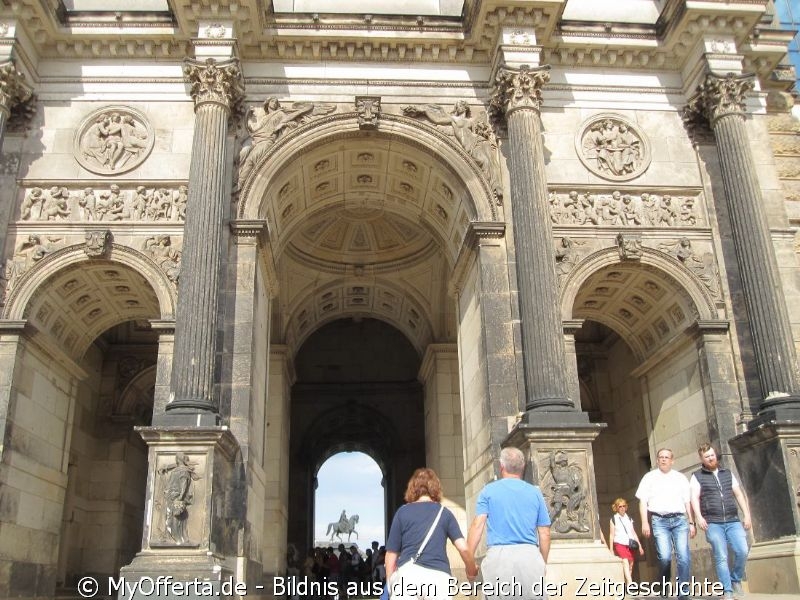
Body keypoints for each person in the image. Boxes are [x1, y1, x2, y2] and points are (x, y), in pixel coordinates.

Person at [466, 447, 551, 600]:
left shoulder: (488, 491)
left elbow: (477, 526)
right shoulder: (535, 492)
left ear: (501, 466)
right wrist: (542, 562)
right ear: (523, 467)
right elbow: (544, 532)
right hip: (529, 556)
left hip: (498, 558)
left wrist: (469, 561)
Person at [386, 468, 477, 599]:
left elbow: (391, 554)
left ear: (412, 488)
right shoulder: (445, 513)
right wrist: (471, 569)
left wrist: (390, 582)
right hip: (439, 578)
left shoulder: (402, 512)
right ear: (436, 488)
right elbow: (463, 548)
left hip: (408, 577)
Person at [690, 444, 751, 600]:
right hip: (713, 522)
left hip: (732, 519)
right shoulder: (697, 476)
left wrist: (747, 515)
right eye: (707, 456)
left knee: (742, 550)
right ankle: (728, 590)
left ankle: (735, 579)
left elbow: (738, 494)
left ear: (715, 455)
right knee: (721, 555)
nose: (710, 458)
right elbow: (694, 498)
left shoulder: (727, 473)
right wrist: (699, 517)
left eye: (712, 455)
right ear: (701, 459)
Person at [635, 448, 695, 600]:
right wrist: (644, 523)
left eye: (666, 457)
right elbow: (643, 501)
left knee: (683, 556)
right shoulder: (649, 477)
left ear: (672, 460)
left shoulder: (680, 477)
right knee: (665, 557)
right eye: (661, 457)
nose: (663, 460)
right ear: (657, 460)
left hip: (680, 520)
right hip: (659, 521)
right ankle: (664, 583)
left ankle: (683, 593)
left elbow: (687, 501)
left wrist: (692, 522)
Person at [608, 497, 644, 585]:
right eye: (620, 506)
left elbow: (633, 532)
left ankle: (627, 583)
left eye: (624, 506)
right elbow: (611, 535)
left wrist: (640, 546)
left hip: (630, 544)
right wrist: (611, 549)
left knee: (631, 565)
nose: (622, 508)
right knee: (625, 561)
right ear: (616, 508)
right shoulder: (613, 519)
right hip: (619, 543)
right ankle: (630, 583)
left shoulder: (629, 518)